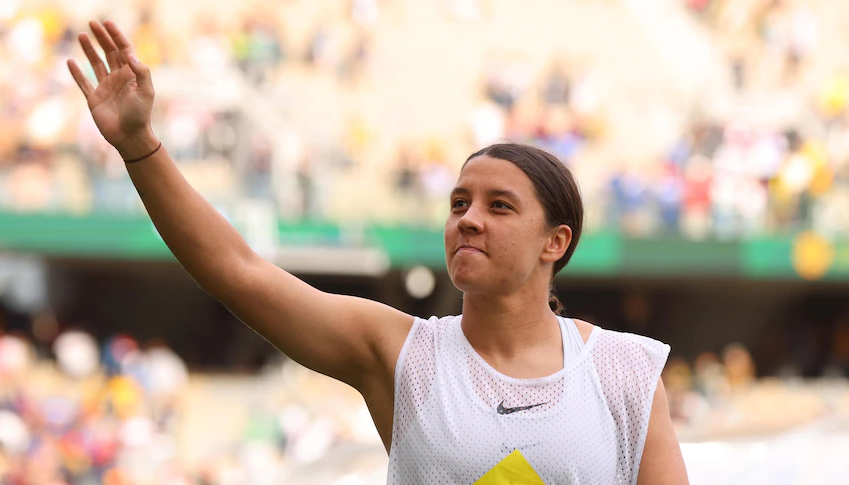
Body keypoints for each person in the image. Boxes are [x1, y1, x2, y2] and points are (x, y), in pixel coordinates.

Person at [67, 20, 688, 484]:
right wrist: (140, 147)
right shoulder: (399, 354)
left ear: (557, 242)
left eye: (500, 207)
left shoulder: (624, 371)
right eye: (458, 203)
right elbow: (240, 273)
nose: (468, 220)